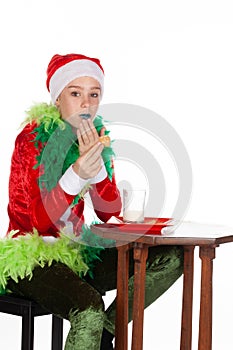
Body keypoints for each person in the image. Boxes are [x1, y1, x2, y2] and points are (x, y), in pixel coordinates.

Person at [0, 53, 184, 349]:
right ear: (57, 98)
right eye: (75, 93)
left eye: (93, 94)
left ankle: (104, 335)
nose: (86, 103)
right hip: (31, 257)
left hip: (77, 252)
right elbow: (37, 223)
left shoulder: (97, 138)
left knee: (173, 256)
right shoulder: (32, 140)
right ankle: (95, 328)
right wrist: (75, 174)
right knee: (88, 308)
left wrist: (96, 171)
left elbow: (108, 210)